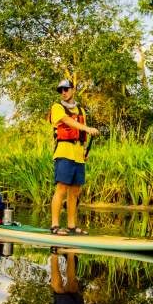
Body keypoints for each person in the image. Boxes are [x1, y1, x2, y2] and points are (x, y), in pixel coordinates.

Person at [50, 79, 99, 236]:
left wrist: (85, 151)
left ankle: (71, 226)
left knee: (75, 192)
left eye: (66, 89)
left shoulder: (81, 110)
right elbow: (67, 121)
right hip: (64, 152)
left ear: (73, 89)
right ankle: (55, 225)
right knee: (61, 189)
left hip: (78, 155)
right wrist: (87, 128)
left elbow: (82, 133)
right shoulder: (57, 107)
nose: (63, 92)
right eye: (60, 90)